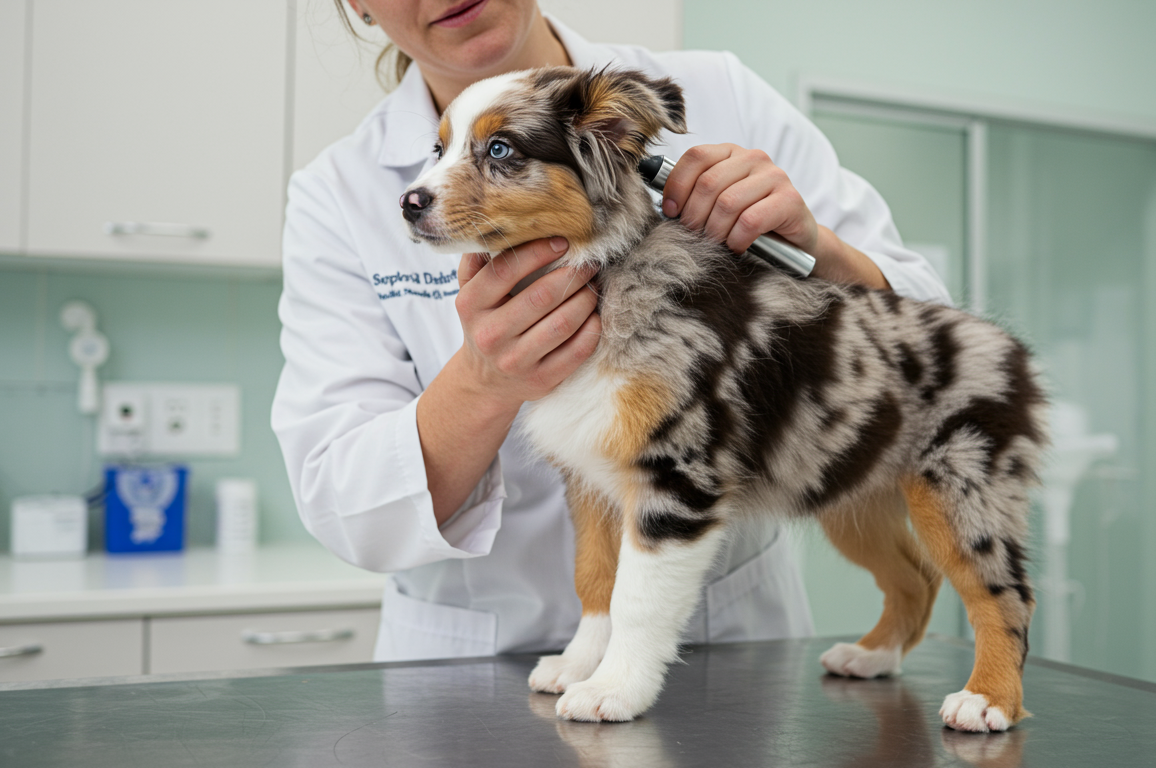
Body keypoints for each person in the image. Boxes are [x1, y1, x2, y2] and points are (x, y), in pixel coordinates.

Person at [272, 0, 951, 662]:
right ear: (356, 6)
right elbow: (349, 509)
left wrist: (819, 251)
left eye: (503, 152)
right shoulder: (337, 194)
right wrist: (485, 381)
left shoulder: (721, 93)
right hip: (475, 667)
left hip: (734, 651)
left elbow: (932, 338)